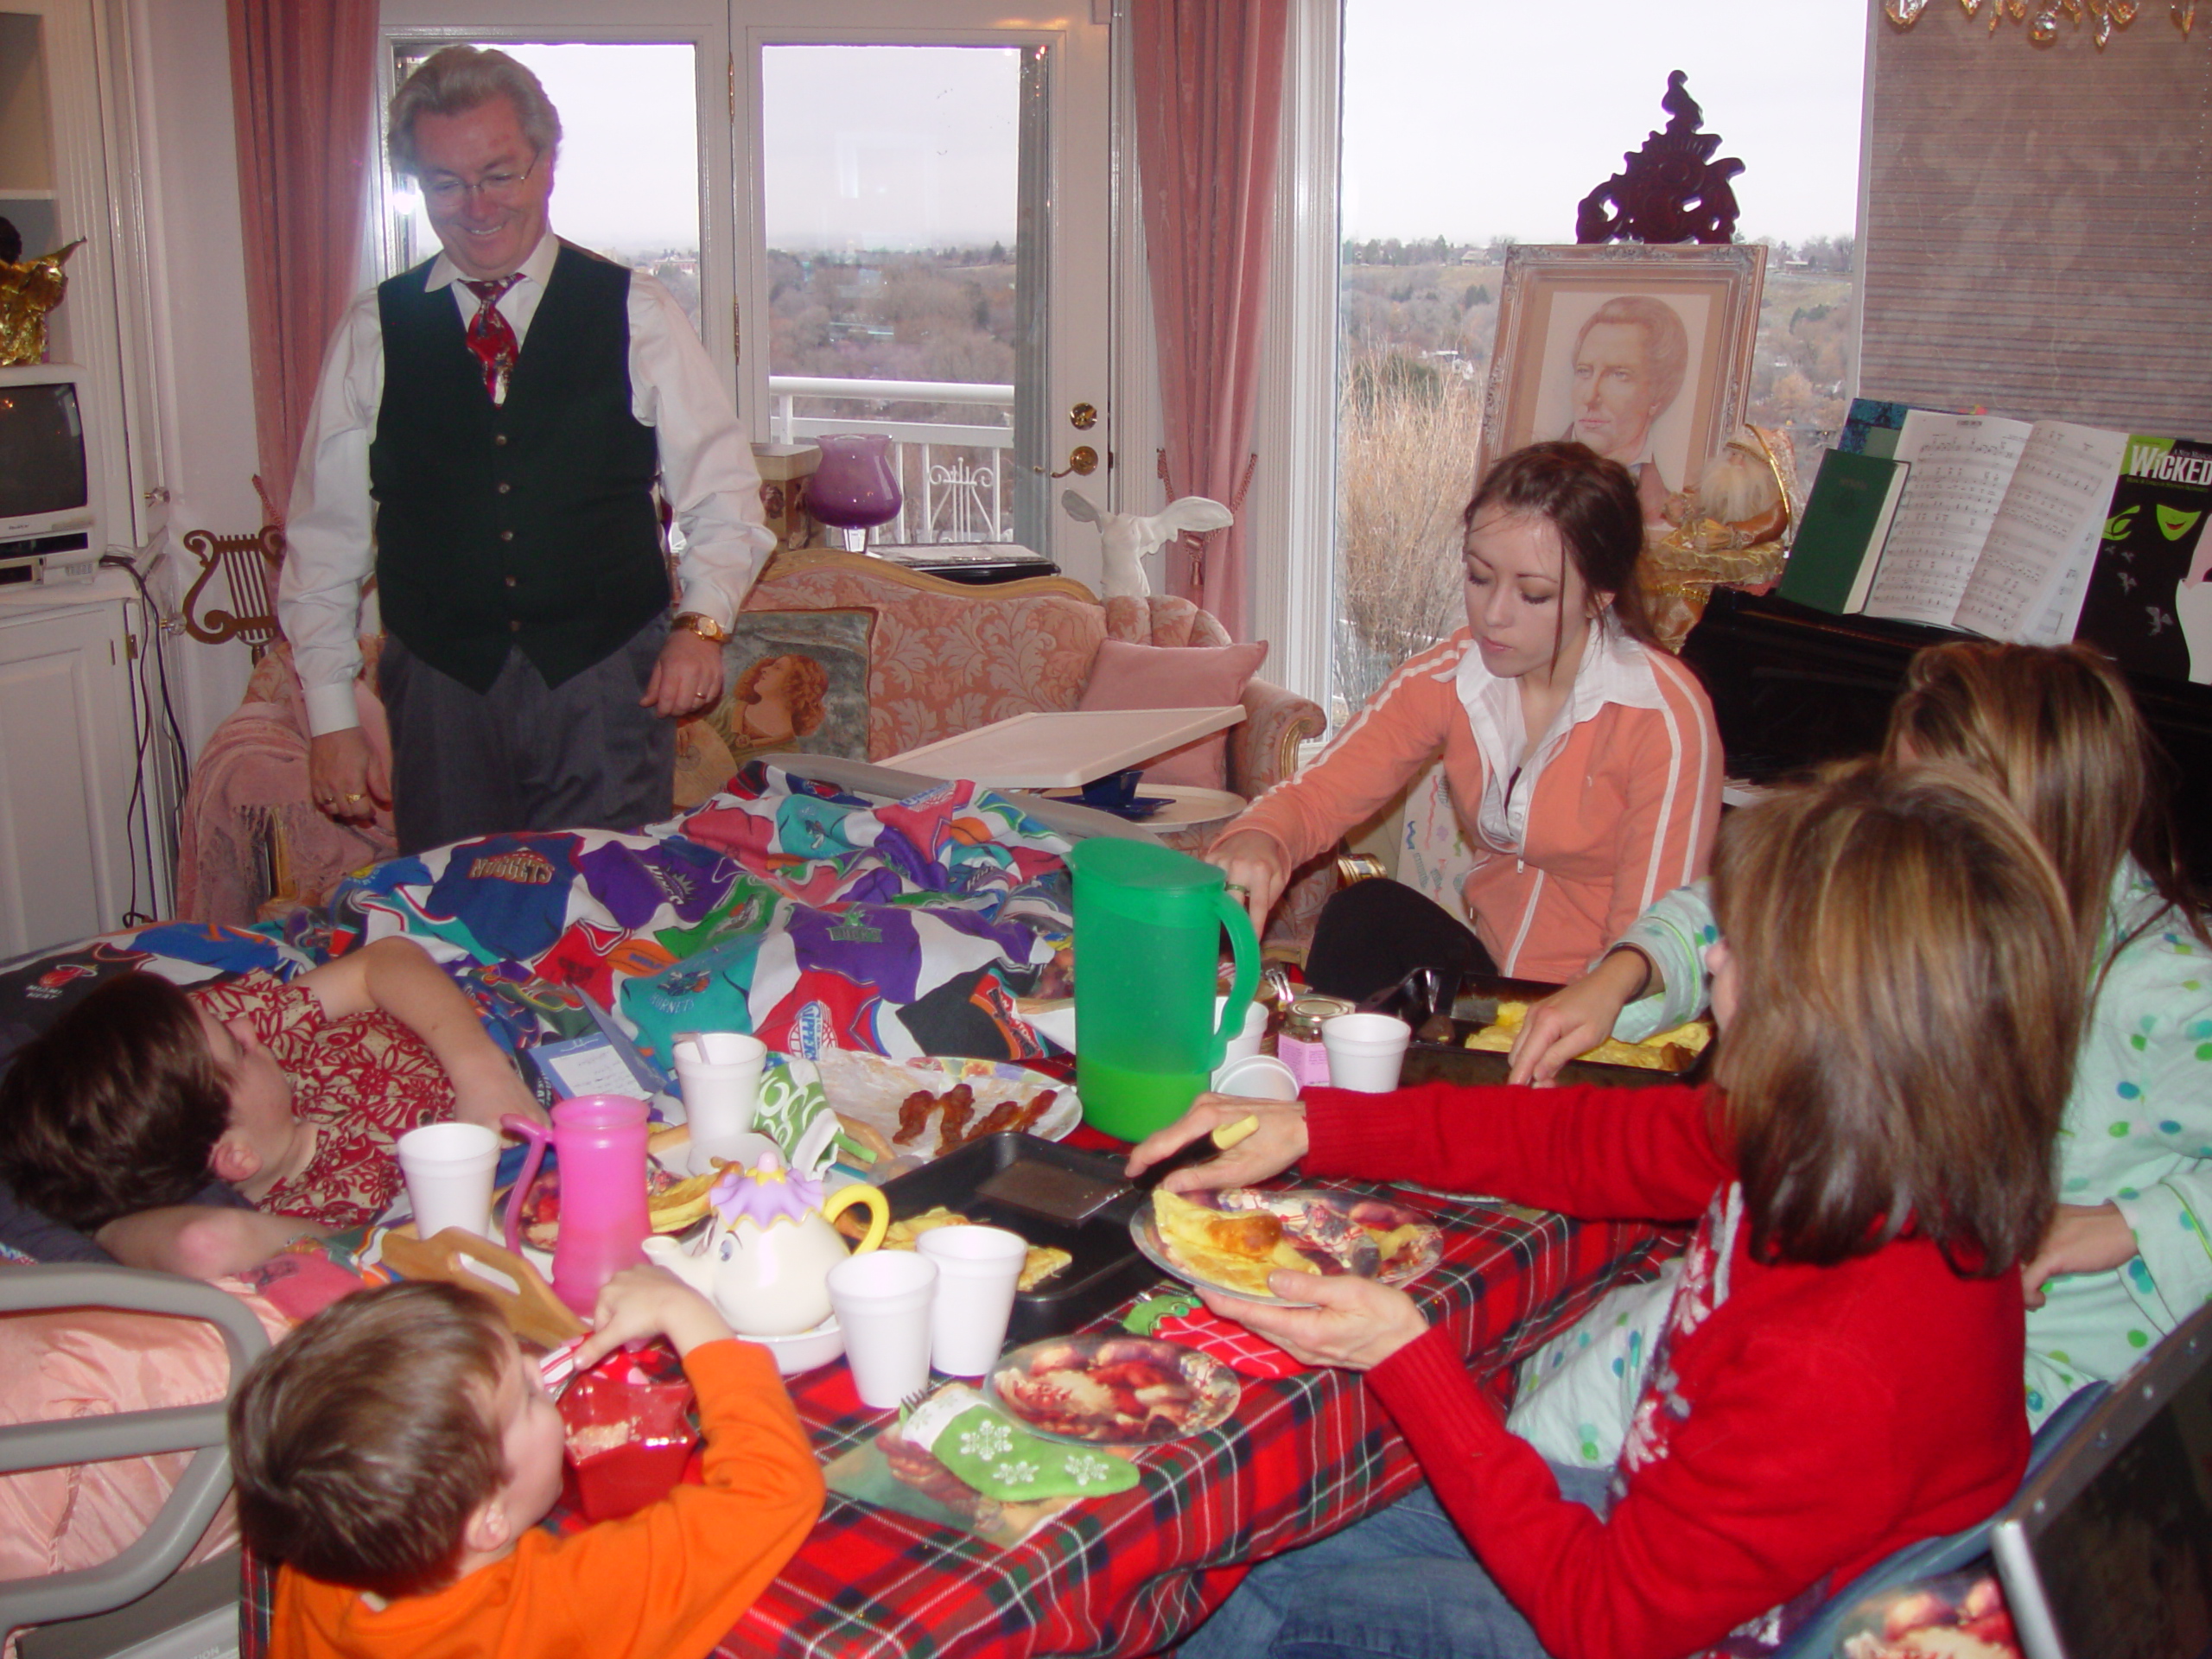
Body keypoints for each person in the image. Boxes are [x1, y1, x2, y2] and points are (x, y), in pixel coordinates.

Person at [1135, 760, 2084, 1659]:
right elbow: (1587, 1144)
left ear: (1828, 1021)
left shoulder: (1843, 1351)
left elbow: (1606, 1622)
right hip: (1667, 1537)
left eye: (1742, 947)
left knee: (1256, 1604)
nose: (1710, 960)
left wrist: (1405, 1356)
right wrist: (1320, 1127)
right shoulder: (1850, 1134)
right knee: (1269, 1527)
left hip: (1668, 1627)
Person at [1508, 640, 2212, 1433]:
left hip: (2025, 1385)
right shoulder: (1950, 886)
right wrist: (1627, 972)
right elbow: (1771, 894)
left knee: (1652, 1374)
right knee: (1588, 1346)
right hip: (1881, 1294)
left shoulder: (2159, 990)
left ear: (2023, 822)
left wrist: (2130, 1224)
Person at [281, 46, 774, 855]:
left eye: (499, 174)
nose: (475, 206)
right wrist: (332, 717)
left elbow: (724, 496)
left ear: (546, 165)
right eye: (446, 182)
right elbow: (324, 537)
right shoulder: (376, 328)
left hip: (606, 678)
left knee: (609, 921)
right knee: (454, 918)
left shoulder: (637, 312)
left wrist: (702, 627)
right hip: (440, 689)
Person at [1207, 440, 1720, 993]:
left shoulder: (1661, 715)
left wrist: (1578, 1011)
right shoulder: (1451, 677)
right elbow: (1318, 795)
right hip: (1496, 981)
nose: (1493, 615)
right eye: (1479, 578)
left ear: (1599, 596)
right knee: (1366, 913)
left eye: (1533, 594)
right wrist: (1263, 834)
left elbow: (1657, 940)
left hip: (1610, 1004)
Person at [229, 1268, 823, 1659]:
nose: (543, 1371)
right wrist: (685, 1312)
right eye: (528, 1397)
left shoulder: (316, 1564)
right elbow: (773, 1487)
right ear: (488, 1518)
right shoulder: (558, 1605)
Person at [0, 936, 544, 1279]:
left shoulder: (229, 1045)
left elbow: (385, 958)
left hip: (500, 1026)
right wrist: (107, 1233)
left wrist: (480, 1072)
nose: (245, 1029)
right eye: (235, 1049)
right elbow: (205, 1244)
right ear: (235, 1158)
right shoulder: (329, 1205)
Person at [1559, 295, 1688, 524]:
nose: (1590, 397)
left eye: (1619, 375)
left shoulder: (1664, 511)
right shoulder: (1522, 489)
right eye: (1584, 371)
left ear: (1657, 395)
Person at [732, 652, 830, 748]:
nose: (764, 669)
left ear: (796, 684)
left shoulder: (787, 752)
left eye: (777, 668)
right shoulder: (726, 708)